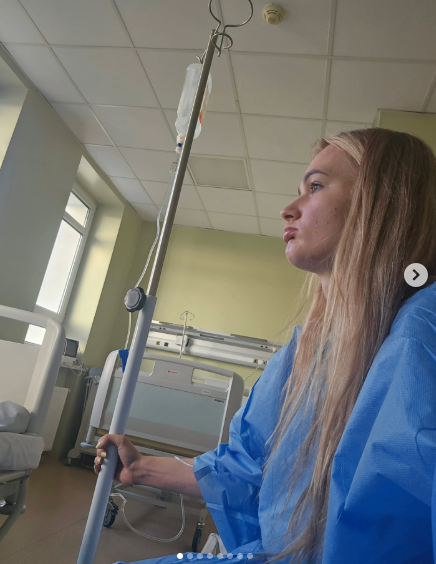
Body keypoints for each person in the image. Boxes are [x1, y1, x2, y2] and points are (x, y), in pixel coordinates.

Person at [94, 128, 436, 564]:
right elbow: (246, 466)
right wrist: (139, 468)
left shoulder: (421, 338)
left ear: (381, 201)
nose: (287, 209)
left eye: (315, 187)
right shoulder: (308, 350)